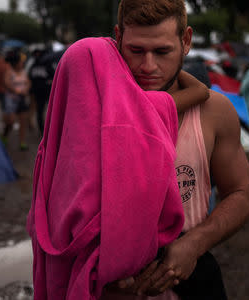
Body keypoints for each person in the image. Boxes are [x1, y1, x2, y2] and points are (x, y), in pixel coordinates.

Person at [27, 36, 210, 300]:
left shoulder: (57, 145)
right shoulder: (138, 113)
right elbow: (201, 91)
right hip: (126, 271)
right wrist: (168, 59)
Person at [103, 1, 249, 299]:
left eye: (162, 52)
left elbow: (240, 193)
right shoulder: (98, 112)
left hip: (193, 283)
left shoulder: (213, 111)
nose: (148, 66)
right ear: (117, 38)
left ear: (185, 41)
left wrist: (195, 243)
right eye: (136, 51)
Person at [3, 50, 31, 151]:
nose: (22, 63)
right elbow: (7, 83)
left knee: (23, 121)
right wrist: (17, 91)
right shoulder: (9, 71)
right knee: (10, 121)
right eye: (20, 61)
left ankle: (22, 142)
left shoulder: (23, 72)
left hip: (22, 99)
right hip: (11, 100)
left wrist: (26, 89)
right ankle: (5, 135)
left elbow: (28, 82)